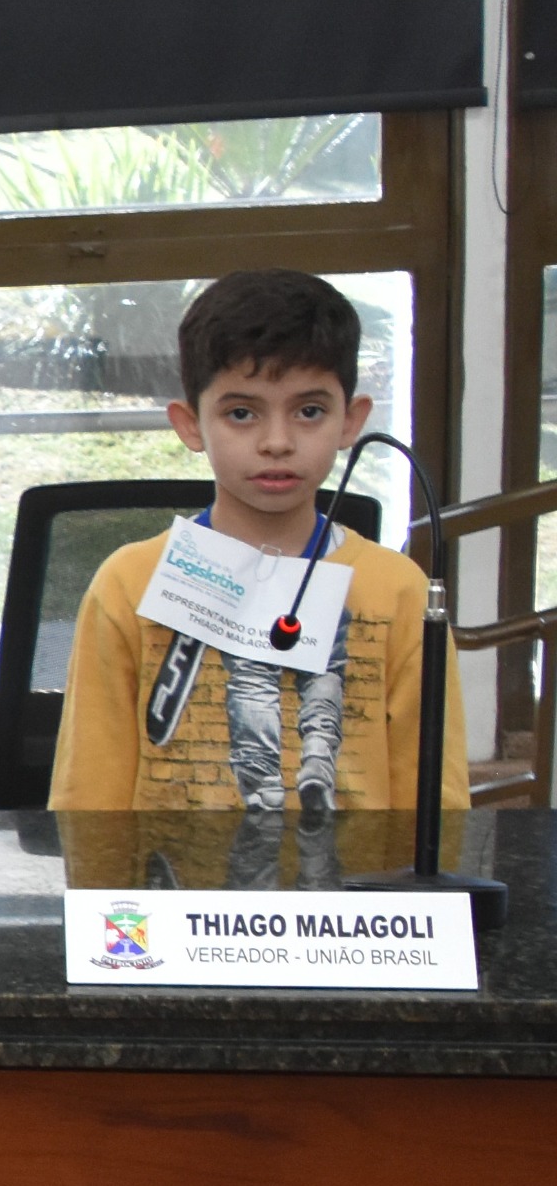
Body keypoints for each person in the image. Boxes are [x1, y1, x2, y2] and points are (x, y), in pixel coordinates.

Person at [49, 269, 460, 816]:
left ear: (351, 421)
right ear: (190, 425)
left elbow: (436, 807)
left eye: (309, 411)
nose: (277, 442)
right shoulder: (129, 584)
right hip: (170, 873)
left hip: (353, 873)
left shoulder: (400, 591)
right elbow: (88, 798)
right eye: (241, 413)